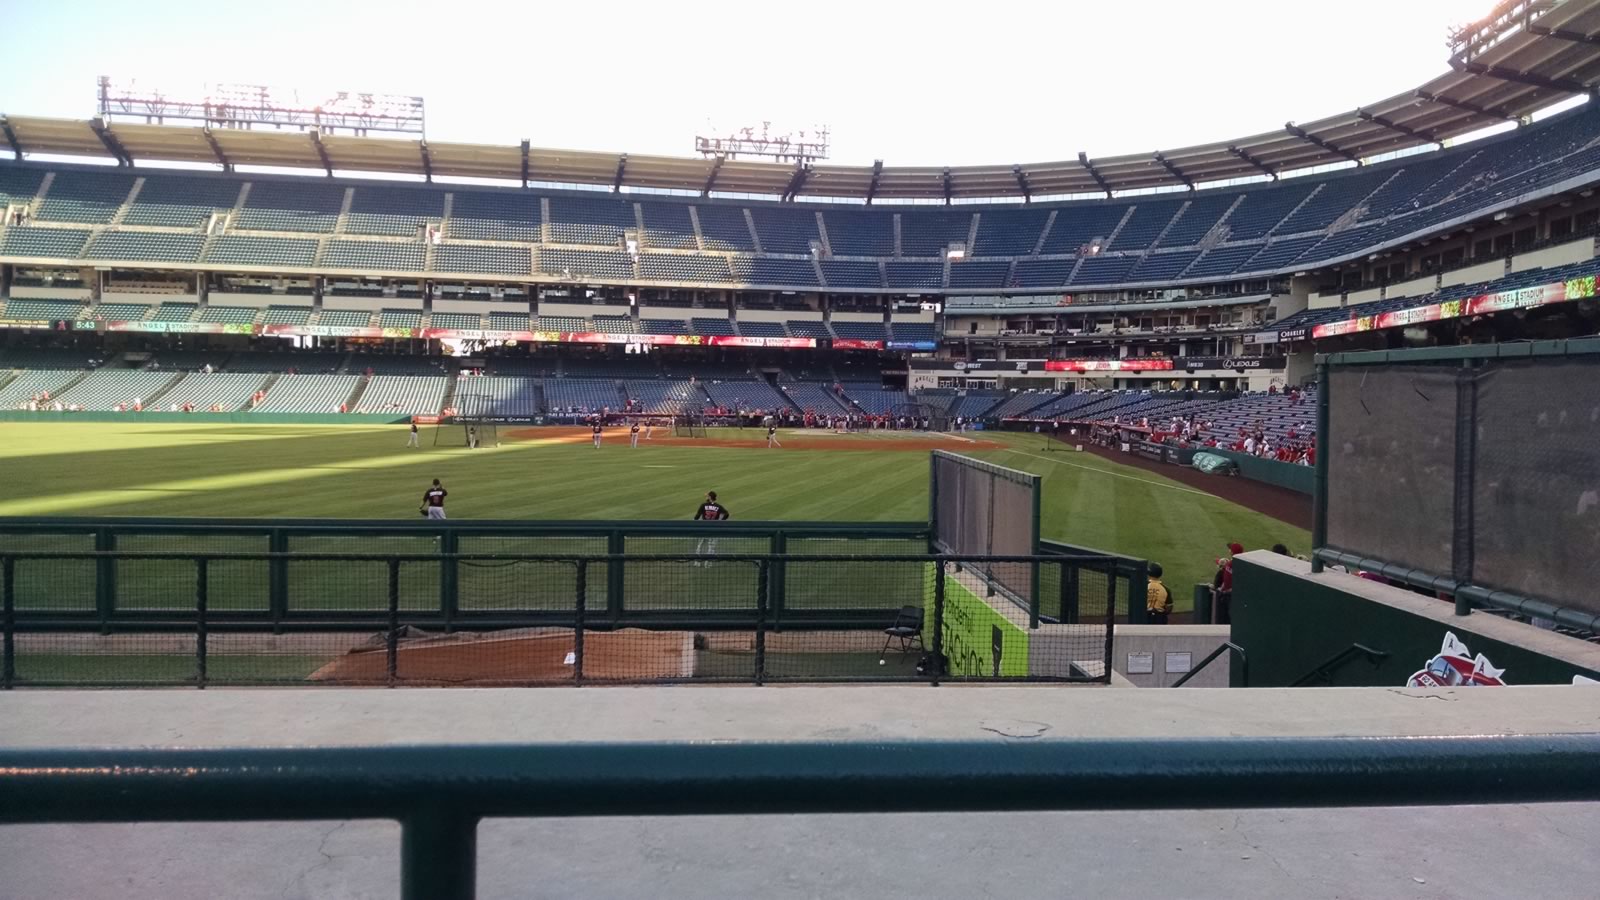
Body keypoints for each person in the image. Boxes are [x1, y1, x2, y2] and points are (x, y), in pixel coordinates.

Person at [692, 490, 729, 565]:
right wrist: (721, 521)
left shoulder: (703, 505)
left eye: (707, 496)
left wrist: (694, 522)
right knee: (711, 545)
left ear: (710, 497)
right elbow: (726, 514)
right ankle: (708, 563)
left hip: (704, 527)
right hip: (714, 528)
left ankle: (697, 562)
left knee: (700, 544)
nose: (706, 497)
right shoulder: (718, 506)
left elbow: (697, 516)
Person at [1212, 542, 1242, 624]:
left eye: (1230, 549)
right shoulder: (1240, 563)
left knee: (1228, 617)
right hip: (1234, 594)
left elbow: (1226, 580)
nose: (1229, 550)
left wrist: (1220, 589)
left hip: (1229, 595)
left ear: (1232, 552)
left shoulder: (1231, 564)